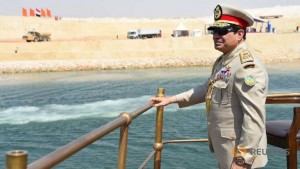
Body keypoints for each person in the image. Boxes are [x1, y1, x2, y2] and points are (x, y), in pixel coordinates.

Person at [151, 4, 268, 169]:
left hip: (240, 156)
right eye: (214, 31)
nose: (215, 36)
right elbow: (207, 88)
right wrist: (171, 100)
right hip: (226, 149)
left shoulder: (246, 67)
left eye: (222, 31)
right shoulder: (225, 60)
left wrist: (242, 159)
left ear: (240, 34)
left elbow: (254, 118)